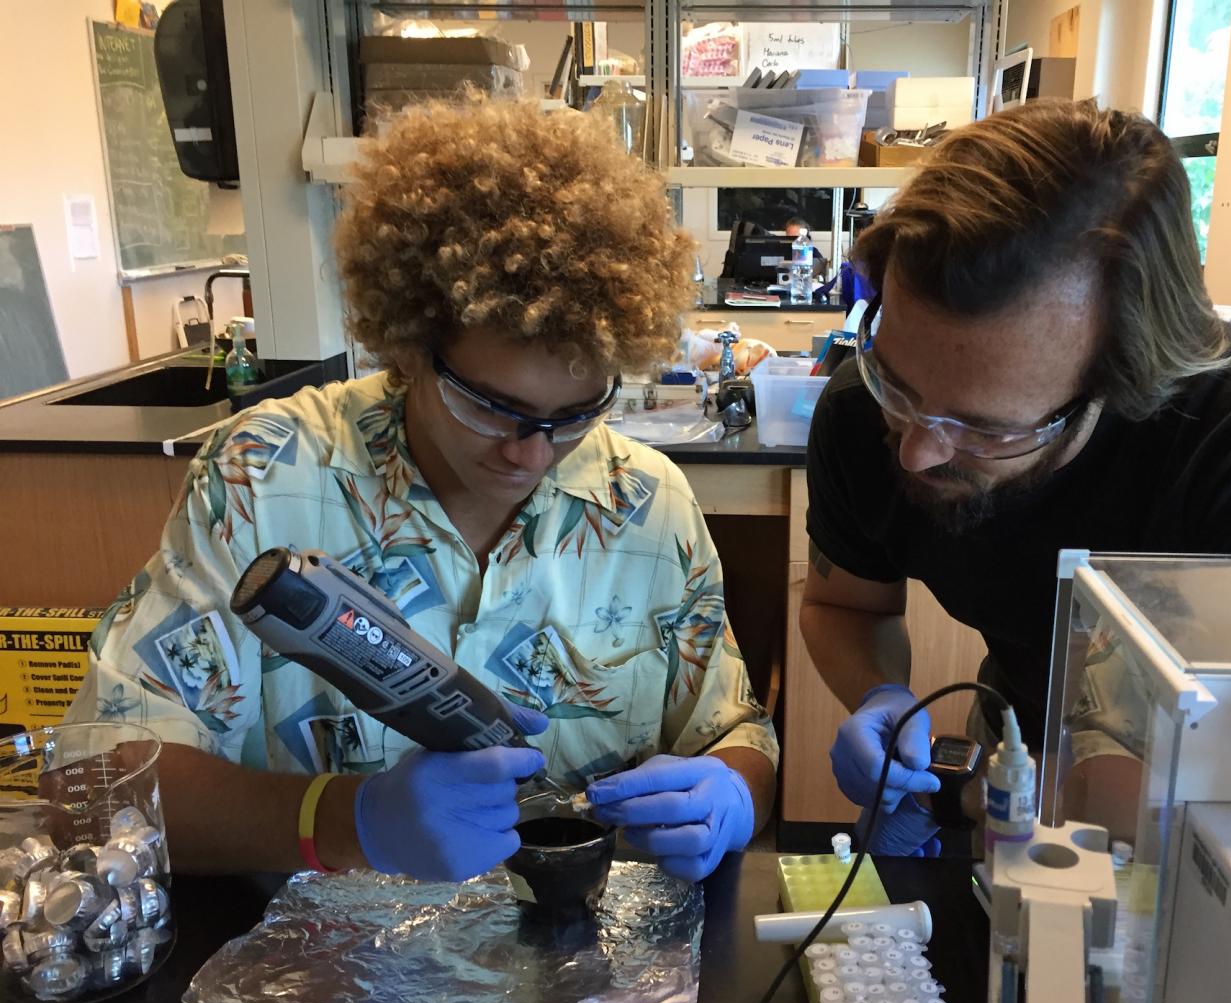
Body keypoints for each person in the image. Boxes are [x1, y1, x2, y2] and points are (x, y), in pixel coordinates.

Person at [67, 97, 777, 884]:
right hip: (315, 985)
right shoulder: (265, 477)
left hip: (584, 983)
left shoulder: (647, 506)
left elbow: (733, 734)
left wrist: (730, 795)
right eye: (488, 406)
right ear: (409, 344)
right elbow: (94, 785)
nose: (532, 454)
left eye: (575, 415)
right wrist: (344, 820)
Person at [802, 99, 1231, 847]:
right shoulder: (863, 410)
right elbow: (849, 607)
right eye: (900, 385)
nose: (916, 450)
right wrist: (885, 700)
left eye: (986, 428)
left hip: (1216, 802)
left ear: (1121, 382)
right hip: (1014, 742)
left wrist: (1009, 802)